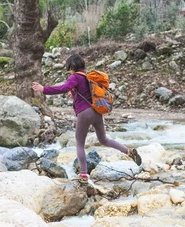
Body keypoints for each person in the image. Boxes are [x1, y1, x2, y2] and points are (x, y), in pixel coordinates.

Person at [32, 53, 141, 183]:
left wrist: (44, 89)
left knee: (79, 143)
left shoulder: (75, 77)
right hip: (96, 111)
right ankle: (128, 151)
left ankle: (83, 175)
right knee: (104, 139)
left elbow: (63, 88)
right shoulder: (89, 78)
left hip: (84, 113)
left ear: (71, 66)